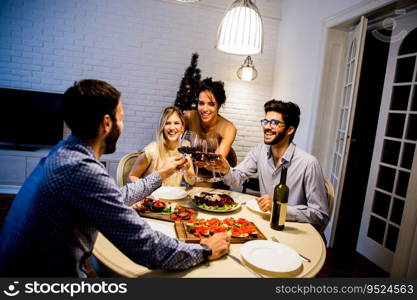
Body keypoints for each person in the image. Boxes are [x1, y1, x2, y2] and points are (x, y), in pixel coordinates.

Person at [0, 79, 230, 277]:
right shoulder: (81, 169)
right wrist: (205, 250)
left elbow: (116, 196)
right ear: (107, 123)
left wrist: (161, 174)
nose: (123, 124)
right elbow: (144, 245)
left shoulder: (65, 153)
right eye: (121, 117)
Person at [211, 100, 329, 228]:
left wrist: (279, 209)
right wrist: (226, 170)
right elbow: (236, 179)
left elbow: (320, 215)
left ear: (290, 130)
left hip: (292, 229)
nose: (267, 127)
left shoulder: (309, 164)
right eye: (266, 121)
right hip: (265, 224)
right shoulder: (259, 151)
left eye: (275, 123)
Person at [128, 106, 195, 186]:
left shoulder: (185, 146)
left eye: (176, 123)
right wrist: (145, 195)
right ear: (162, 127)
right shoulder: (151, 150)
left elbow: (191, 181)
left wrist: (187, 170)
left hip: (174, 197)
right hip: (154, 197)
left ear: (182, 127)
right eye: (167, 123)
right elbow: (132, 176)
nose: (172, 127)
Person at [185, 77, 237, 166]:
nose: (205, 109)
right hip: (194, 168)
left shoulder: (229, 128)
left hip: (218, 171)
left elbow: (216, 162)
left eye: (211, 104)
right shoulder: (189, 117)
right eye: (201, 103)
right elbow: (176, 143)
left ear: (219, 106)